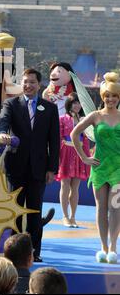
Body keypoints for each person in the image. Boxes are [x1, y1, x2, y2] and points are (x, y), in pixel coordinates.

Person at [0, 68, 60, 262]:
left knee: (34, 211)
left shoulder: (49, 108)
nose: (28, 85)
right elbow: (3, 121)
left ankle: (34, 253)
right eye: (25, 82)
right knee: (14, 211)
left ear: (38, 84)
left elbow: (54, 140)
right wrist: (2, 132)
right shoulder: (11, 103)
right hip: (15, 167)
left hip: (38, 169)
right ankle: (14, 252)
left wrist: (52, 168)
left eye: (32, 82)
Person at [71, 72, 120, 264]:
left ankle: (114, 247)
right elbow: (75, 134)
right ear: (102, 96)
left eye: (114, 95)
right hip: (99, 167)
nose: (111, 99)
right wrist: (84, 157)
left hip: (118, 168)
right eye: (107, 95)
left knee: (115, 208)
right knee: (101, 208)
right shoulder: (95, 116)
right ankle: (103, 247)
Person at [57, 93, 90, 228]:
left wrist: (86, 156)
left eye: (78, 102)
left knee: (75, 188)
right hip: (66, 154)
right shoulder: (62, 119)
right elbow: (58, 138)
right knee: (65, 185)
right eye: (74, 102)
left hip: (79, 154)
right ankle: (65, 216)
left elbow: (87, 139)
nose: (77, 105)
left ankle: (73, 217)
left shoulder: (85, 120)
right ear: (69, 104)